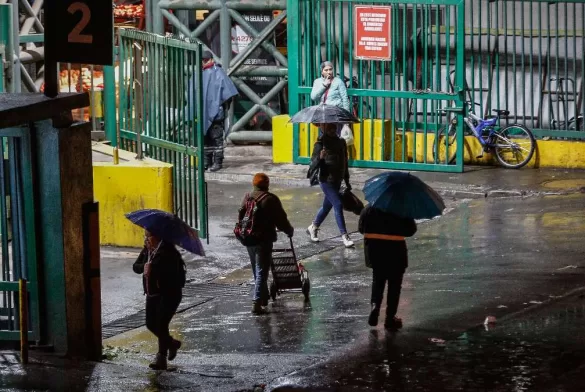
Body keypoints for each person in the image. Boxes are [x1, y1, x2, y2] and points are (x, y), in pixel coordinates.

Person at [239, 173, 294, 314]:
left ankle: (263, 298)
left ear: (254, 184)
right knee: (262, 271)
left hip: (248, 239)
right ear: (267, 184)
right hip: (263, 240)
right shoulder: (270, 199)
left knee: (256, 269)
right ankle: (256, 302)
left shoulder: (247, 196)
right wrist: (289, 230)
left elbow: (241, 217)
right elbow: (281, 220)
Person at [358, 205, 417, 330]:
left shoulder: (369, 209)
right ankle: (390, 318)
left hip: (375, 251)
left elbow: (361, 228)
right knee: (395, 285)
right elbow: (411, 230)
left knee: (378, 281)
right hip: (396, 251)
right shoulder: (401, 209)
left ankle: (375, 306)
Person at [133, 230, 185, 370]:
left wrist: (153, 269)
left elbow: (171, 276)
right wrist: (143, 267)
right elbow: (135, 267)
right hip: (152, 294)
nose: (146, 239)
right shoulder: (147, 250)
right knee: (150, 324)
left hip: (169, 294)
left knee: (162, 324)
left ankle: (161, 358)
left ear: (157, 236)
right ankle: (172, 344)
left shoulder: (169, 252)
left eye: (148, 236)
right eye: (145, 236)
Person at [187, 50, 238, 172]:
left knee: (216, 138)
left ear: (211, 60)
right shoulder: (199, 73)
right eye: (202, 60)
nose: (203, 62)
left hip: (215, 114)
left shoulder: (218, 73)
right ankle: (206, 162)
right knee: (205, 139)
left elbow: (228, 92)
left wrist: (220, 105)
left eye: (206, 60)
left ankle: (217, 162)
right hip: (204, 112)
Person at [306, 123, 354, 248]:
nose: (332, 131)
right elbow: (312, 166)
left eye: (334, 128)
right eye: (329, 129)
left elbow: (345, 162)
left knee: (327, 206)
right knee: (337, 205)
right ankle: (345, 235)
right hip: (326, 180)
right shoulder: (320, 144)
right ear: (324, 130)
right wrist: (320, 158)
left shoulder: (341, 143)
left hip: (338, 179)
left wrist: (347, 180)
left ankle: (313, 227)